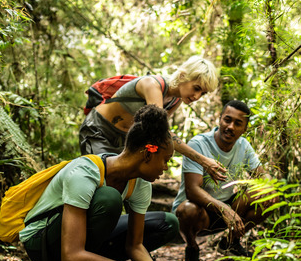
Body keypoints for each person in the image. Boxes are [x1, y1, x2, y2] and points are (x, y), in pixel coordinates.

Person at [20, 105, 189, 261]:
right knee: (109, 199)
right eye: (166, 160)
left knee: (167, 223)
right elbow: (71, 255)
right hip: (42, 242)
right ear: (147, 154)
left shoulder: (141, 183)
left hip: (75, 241)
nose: (166, 167)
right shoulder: (85, 173)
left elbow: (134, 246)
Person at [79, 56, 227, 182]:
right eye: (196, 88)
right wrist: (203, 161)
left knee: (121, 185)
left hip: (125, 140)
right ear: (183, 76)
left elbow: (159, 134)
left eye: (203, 93)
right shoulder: (152, 85)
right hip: (98, 131)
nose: (197, 96)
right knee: (99, 178)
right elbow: (162, 132)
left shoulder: (176, 99)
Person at [172, 100, 274, 261]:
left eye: (238, 123)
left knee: (270, 196)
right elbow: (192, 191)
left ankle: (230, 243)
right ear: (219, 120)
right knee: (187, 209)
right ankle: (192, 247)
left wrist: (268, 186)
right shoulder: (198, 144)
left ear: (244, 129)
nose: (231, 127)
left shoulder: (243, 145)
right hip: (199, 212)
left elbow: (262, 175)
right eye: (227, 120)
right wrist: (224, 209)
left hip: (228, 210)